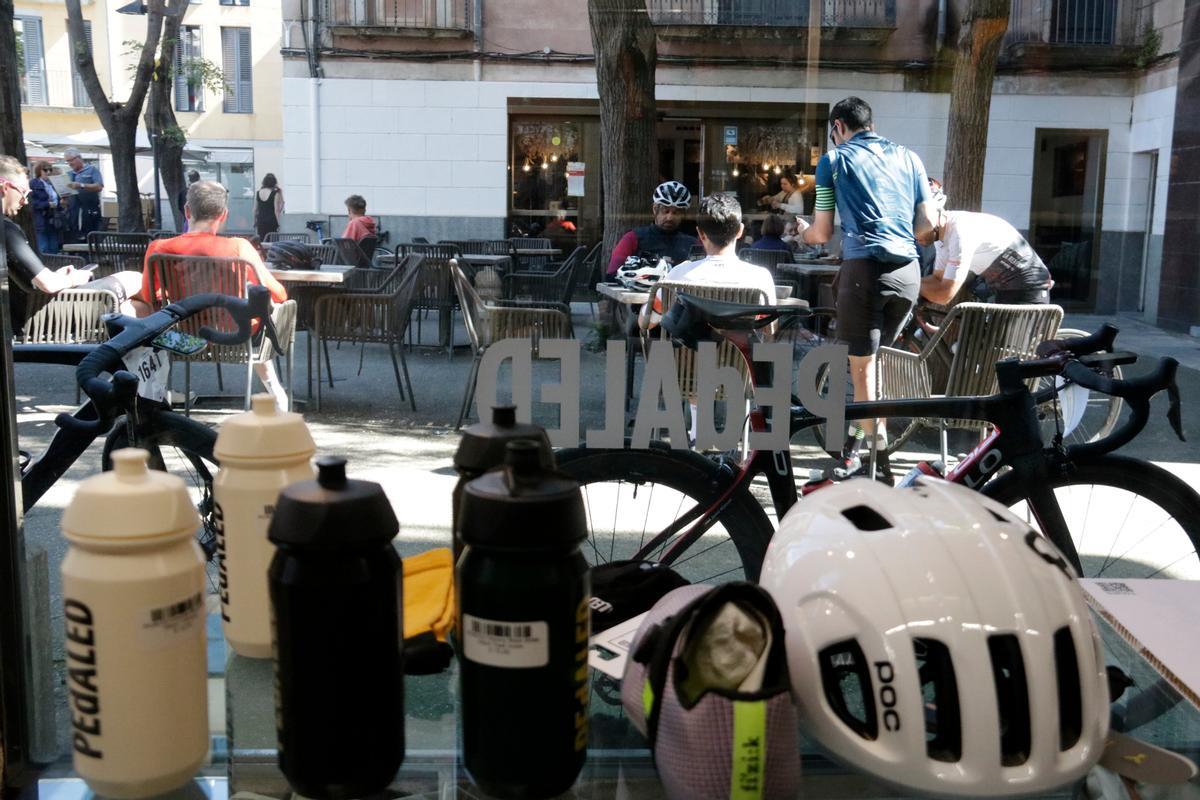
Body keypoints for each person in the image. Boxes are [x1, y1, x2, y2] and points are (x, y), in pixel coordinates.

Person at [794, 96, 936, 480]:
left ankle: (879, 468)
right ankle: (857, 456)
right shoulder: (910, 158)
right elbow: (925, 227)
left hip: (864, 272)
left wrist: (802, 232)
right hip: (908, 272)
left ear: (838, 127)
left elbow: (822, 232)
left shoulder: (833, 161)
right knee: (874, 372)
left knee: (864, 375)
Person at [141, 180, 291, 411]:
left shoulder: (159, 248)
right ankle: (275, 391)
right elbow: (277, 293)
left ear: (187, 211)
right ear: (223, 214)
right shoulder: (239, 247)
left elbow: (149, 298)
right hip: (236, 335)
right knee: (273, 310)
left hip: (183, 337)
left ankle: (157, 391)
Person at [0, 155, 145, 315]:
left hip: (22, 314)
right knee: (134, 279)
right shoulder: (6, 229)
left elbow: (30, 279)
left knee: (136, 308)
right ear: (4, 188)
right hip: (42, 315)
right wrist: (75, 278)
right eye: (23, 192)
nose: (25, 201)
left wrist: (55, 275)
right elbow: (48, 285)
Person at [639, 193, 776, 331]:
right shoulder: (760, 277)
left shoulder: (678, 275)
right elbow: (770, 330)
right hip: (741, 352)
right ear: (740, 231)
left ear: (701, 234)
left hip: (689, 352)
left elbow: (646, 322)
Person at [919, 179, 1053, 306]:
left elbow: (945, 295)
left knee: (1002, 330)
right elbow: (938, 279)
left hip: (1030, 283)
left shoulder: (961, 231)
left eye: (917, 220)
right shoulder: (941, 234)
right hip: (1004, 286)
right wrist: (905, 283)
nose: (912, 230)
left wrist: (908, 286)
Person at [606, 181, 699, 276]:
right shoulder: (633, 238)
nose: (670, 217)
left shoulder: (692, 244)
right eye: (665, 211)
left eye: (676, 213)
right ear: (655, 209)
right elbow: (612, 273)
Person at [64, 147, 104, 240]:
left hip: (89, 210)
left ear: (79, 158)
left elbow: (99, 187)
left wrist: (81, 185)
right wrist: (64, 199)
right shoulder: (69, 174)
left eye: (71, 160)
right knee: (75, 239)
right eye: (67, 161)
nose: (69, 163)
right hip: (74, 212)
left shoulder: (92, 170)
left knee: (91, 238)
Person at [29, 161, 64, 254]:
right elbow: (32, 203)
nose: (48, 172)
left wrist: (61, 203)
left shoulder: (53, 184)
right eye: (45, 170)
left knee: (54, 247)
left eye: (50, 170)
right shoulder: (33, 183)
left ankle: (54, 267)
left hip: (53, 219)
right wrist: (47, 204)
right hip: (41, 219)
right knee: (44, 247)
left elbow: (57, 201)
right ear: (39, 171)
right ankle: (44, 267)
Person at [253, 174, 284, 239]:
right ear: (274, 183)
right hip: (271, 221)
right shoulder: (275, 194)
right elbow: (277, 210)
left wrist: (255, 221)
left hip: (261, 221)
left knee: (262, 241)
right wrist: (278, 224)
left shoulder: (258, 193)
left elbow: (255, 209)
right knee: (273, 242)